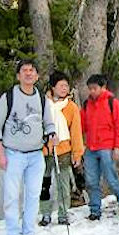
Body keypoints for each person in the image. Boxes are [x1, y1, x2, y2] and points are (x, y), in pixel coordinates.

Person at [0, 59, 56, 235]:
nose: (28, 73)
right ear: (18, 76)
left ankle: (28, 232)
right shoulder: (8, 97)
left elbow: (48, 122)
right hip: (14, 153)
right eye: (24, 70)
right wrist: (0, 154)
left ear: (36, 76)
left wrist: (52, 133)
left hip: (36, 155)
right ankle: (14, 234)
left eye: (32, 70)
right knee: (11, 195)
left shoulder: (42, 98)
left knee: (33, 194)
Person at [80, 74, 119, 220]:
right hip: (90, 147)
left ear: (103, 87)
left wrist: (117, 147)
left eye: (94, 88)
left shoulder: (112, 102)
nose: (91, 92)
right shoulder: (86, 104)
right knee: (91, 180)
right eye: (89, 89)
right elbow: (81, 125)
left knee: (111, 177)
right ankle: (95, 209)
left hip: (107, 146)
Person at [39, 71, 84, 226]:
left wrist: (77, 153)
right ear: (53, 87)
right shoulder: (43, 104)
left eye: (66, 85)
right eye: (61, 85)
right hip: (45, 150)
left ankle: (63, 213)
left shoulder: (71, 107)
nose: (65, 88)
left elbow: (76, 132)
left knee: (63, 184)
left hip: (64, 150)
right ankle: (45, 213)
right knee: (44, 183)